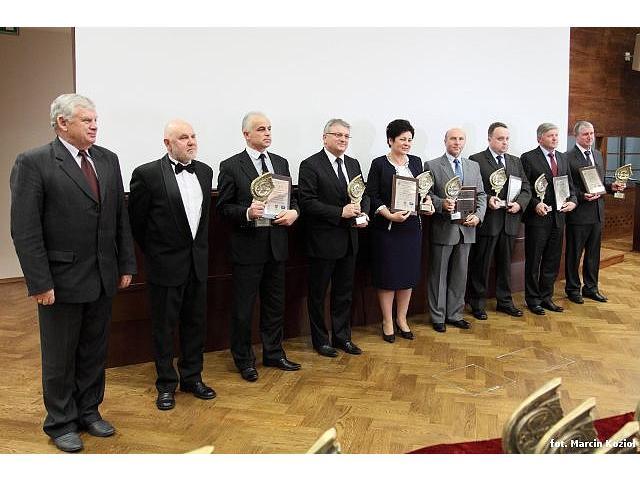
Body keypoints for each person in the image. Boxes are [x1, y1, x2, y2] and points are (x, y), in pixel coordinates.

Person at [9, 93, 136, 452]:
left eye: (96, 120)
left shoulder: (108, 159)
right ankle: (61, 422)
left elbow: (119, 217)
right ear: (62, 123)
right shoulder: (34, 162)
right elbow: (25, 229)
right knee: (60, 356)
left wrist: (126, 263)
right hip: (60, 280)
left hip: (103, 275)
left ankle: (89, 412)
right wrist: (39, 281)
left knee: (94, 351)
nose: (95, 126)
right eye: (86, 120)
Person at [129, 119, 216, 411]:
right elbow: (138, 223)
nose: (191, 142)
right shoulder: (147, 174)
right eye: (183, 137)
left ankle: (192, 377)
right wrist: (158, 254)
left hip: (197, 265)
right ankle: (166, 384)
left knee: (195, 324)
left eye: (193, 136)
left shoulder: (205, 171)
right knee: (164, 328)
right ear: (167, 143)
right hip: (165, 266)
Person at [216, 112, 301, 382]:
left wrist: (294, 213)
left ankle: (274, 353)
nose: (267, 133)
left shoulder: (280, 162)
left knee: (275, 305)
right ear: (246, 134)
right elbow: (223, 207)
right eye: (261, 129)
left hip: (277, 245)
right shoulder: (231, 165)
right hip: (248, 248)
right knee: (243, 309)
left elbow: (292, 199)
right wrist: (247, 212)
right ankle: (244, 360)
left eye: (269, 128)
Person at [298, 119, 370, 356]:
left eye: (346, 136)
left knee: (344, 293)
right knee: (318, 295)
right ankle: (321, 340)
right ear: (325, 137)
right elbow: (307, 202)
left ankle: (342, 337)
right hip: (323, 241)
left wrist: (364, 212)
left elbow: (363, 195)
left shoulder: (353, 163)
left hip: (350, 240)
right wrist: (340, 212)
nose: (343, 139)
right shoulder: (310, 165)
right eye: (338, 135)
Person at [365, 119, 433, 343]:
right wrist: (388, 214)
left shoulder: (416, 162)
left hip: (411, 228)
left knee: (407, 275)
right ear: (390, 140)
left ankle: (402, 319)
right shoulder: (379, 164)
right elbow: (372, 195)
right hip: (388, 229)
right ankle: (387, 321)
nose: (407, 143)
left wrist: (427, 202)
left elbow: (423, 191)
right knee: (388, 276)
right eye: (402, 139)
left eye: (410, 139)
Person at [467, 122, 531, 320]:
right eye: (500, 138)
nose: (505, 142)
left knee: (505, 265)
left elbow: (526, 188)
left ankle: (505, 302)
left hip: (510, 221)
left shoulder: (515, 161)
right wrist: (487, 199)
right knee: (481, 264)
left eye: (507, 139)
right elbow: (472, 189)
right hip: (488, 222)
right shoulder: (476, 160)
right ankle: (477, 303)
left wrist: (519, 204)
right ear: (490, 139)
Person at [426, 128, 486, 333]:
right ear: (445, 141)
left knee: (460, 275)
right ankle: (438, 316)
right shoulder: (432, 165)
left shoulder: (473, 166)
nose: (457, 142)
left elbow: (481, 195)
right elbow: (427, 195)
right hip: (444, 228)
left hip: (467, 229)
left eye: (461, 139)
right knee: (438, 275)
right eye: (453, 138)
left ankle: (455, 314)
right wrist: (442, 203)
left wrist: (478, 216)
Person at [565, 120, 626, 304]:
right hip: (578, 214)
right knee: (574, 255)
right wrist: (582, 196)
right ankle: (572, 289)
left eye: (591, 133)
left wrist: (611, 187)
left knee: (593, 254)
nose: (590, 137)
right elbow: (567, 188)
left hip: (598, 213)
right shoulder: (567, 157)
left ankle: (591, 288)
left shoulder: (598, 154)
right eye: (586, 134)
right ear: (576, 136)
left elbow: (598, 184)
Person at [521, 123, 577, 315]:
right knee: (534, 261)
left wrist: (573, 202)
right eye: (550, 135)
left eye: (556, 135)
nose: (555, 138)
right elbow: (525, 188)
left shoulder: (562, 157)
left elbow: (570, 186)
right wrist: (535, 204)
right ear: (540, 138)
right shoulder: (528, 158)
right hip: (538, 219)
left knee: (552, 260)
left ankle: (546, 297)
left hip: (558, 218)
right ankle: (532, 299)